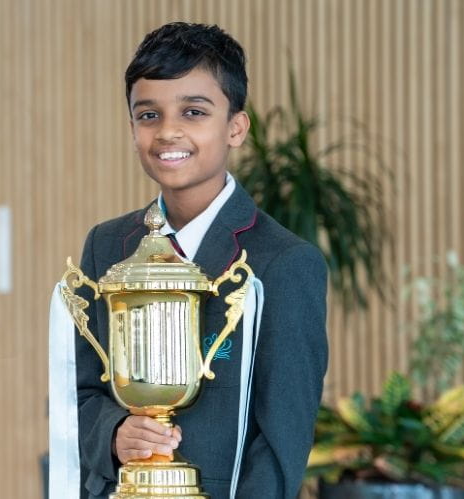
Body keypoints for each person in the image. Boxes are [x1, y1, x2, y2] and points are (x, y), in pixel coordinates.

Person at [75, 22, 328, 498]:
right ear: (132, 128)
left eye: (193, 112)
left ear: (236, 128)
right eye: (148, 115)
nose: (168, 131)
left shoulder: (285, 263)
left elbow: (280, 445)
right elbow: (79, 393)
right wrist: (113, 433)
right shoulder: (106, 246)